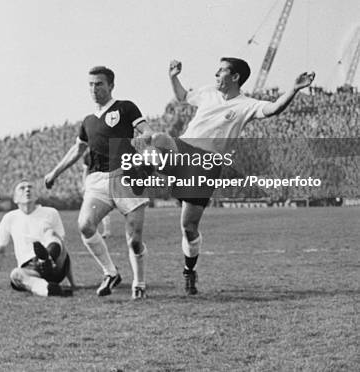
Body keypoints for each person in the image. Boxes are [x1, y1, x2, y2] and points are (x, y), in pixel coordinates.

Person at [151, 57, 315, 295]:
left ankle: (189, 270)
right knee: (156, 139)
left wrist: (294, 88)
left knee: (188, 227)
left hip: (206, 164)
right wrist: (172, 76)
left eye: (222, 71)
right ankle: (142, 170)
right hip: (183, 148)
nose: (216, 74)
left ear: (235, 76)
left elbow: (274, 108)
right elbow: (182, 96)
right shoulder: (208, 92)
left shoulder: (246, 105)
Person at [44, 66, 153, 299]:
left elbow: (145, 130)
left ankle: (140, 282)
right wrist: (54, 173)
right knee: (85, 225)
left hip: (125, 175)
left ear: (111, 85)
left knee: (134, 239)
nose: (94, 89)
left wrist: (147, 139)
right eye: (91, 85)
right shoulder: (88, 121)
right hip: (97, 180)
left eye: (99, 84)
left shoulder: (125, 107)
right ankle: (110, 273)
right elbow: (77, 148)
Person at [0, 180, 74, 297]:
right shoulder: (9, 218)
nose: (27, 189)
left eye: (30, 187)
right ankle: (48, 289)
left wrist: (73, 282)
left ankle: (45, 259)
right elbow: (0, 250)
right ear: (15, 199)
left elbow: (63, 247)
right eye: (22, 188)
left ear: (36, 196)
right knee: (15, 274)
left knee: (51, 233)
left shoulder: (51, 213)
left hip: (56, 265)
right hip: (32, 269)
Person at [82, 148, 111, 238]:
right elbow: (85, 170)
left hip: (104, 181)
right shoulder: (87, 156)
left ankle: (106, 230)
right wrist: (85, 184)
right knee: (92, 209)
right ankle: (102, 230)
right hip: (93, 182)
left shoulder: (105, 153)